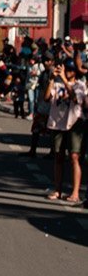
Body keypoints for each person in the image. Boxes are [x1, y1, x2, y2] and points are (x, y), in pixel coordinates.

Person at [45, 63, 86, 202]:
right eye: (64, 70)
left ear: (75, 72)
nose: (66, 72)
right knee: (58, 157)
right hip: (58, 123)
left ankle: (75, 193)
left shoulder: (80, 85)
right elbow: (46, 98)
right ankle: (57, 190)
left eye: (69, 70)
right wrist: (51, 79)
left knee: (74, 156)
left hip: (74, 123)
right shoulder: (56, 84)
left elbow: (75, 99)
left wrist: (64, 79)